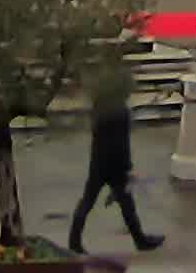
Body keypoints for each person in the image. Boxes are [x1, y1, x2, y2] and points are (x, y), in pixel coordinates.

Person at [69, 54, 163, 251]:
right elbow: (121, 144)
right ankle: (140, 240)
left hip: (98, 161)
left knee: (89, 201)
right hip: (115, 165)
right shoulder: (120, 111)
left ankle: (74, 240)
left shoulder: (100, 105)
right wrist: (127, 167)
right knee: (126, 204)